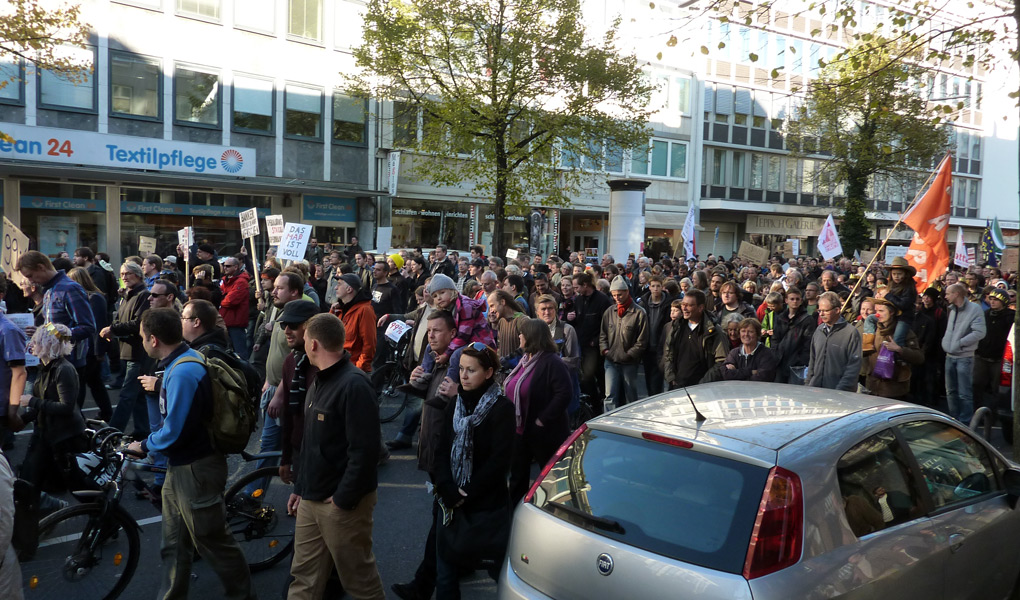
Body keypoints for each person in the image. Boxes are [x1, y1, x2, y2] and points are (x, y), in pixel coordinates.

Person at [126, 308, 255, 600]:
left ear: (154, 340)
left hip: (197, 470)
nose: (142, 342)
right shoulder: (181, 361)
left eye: (143, 337)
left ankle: (244, 596)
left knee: (214, 542)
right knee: (173, 543)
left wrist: (143, 446)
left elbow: (173, 430)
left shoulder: (183, 370)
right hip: (181, 467)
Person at [287, 314, 386, 600]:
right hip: (311, 498)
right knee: (303, 578)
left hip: (341, 505)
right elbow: (311, 443)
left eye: (305, 340)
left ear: (314, 343)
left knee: (359, 581)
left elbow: (365, 451)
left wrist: (343, 499)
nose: (303, 344)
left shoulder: (354, 385)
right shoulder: (319, 379)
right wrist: (300, 488)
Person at [432, 344, 514, 598]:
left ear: (489, 373)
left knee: (496, 570)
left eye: (471, 370)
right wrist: (446, 487)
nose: (464, 376)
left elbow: (499, 461)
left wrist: (466, 493)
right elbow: (441, 450)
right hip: (449, 504)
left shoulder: (502, 409)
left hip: (485, 506)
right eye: (462, 369)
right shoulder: (455, 404)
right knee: (444, 575)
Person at [390, 312, 461, 600]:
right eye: (429, 331)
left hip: (449, 463)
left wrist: (459, 393)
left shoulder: (460, 364)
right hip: (434, 456)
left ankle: (429, 586)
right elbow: (430, 399)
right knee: (441, 528)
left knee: (443, 529)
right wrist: (417, 378)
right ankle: (426, 583)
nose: (431, 336)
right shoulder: (435, 360)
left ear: (453, 332)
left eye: (437, 331)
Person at [17, 323, 86, 514]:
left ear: (48, 345)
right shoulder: (46, 367)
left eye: (37, 342)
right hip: (46, 434)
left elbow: (66, 407)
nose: (32, 346)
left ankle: (105, 517)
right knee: (28, 479)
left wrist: (32, 402)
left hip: (64, 438)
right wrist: (22, 420)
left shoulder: (64, 369)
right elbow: (46, 401)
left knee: (79, 486)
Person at [505, 319, 572, 504]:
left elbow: (564, 393)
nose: (519, 336)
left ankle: (552, 512)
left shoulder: (552, 362)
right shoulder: (526, 360)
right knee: (517, 477)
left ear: (532, 337)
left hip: (544, 432)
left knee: (548, 477)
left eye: (522, 333)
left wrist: (542, 420)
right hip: (520, 430)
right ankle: (515, 514)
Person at [104, 261, 151, 436]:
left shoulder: (144, 295)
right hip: (127, 350)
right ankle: (142, 431)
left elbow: (138, 323)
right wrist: (113, 329)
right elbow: (120, 320)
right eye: (122, 274)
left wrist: (113, 330)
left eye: (128, 274)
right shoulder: (126, 296)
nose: (124, 277)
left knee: (127, 395)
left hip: (138, 352)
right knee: (138, 397)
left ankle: (112, 433)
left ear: (138, 275)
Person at [64, 267, 111, 421]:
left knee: (84, 382)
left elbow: (98, 325)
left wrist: (99, 351)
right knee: (94, 382)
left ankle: (81, 416)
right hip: (87, 347)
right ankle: (106, 412)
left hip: (89, 348)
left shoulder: (94, 298)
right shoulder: (88, 297)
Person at [861, 297, 924, 400]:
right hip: (872, 388)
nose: (877, 314)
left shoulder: (904, 332)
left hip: (894, 390)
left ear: (892, 313)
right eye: (876, 311)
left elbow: (919, 358)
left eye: (881, 311)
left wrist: (899, 349)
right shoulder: (873, 330)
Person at [941, 283, 987, 423]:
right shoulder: (952, 309)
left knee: (964, 393)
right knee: (950, 391)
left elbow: (980, 332)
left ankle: (965, 423)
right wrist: (947, 343)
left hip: (964, 357)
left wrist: (960, 343)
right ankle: (954, 420)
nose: (945, 296)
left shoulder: (975, 309)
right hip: (949, 356)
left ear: (956, 294)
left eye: (948, 293)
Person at [599, 276, 647, 408]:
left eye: (619, 294)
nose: (616, 297)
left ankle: (631, 423)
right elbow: (603, 334)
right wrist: (605, 350)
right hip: (611, 360)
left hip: (629, 362)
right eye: (614, 295)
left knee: (631, 395)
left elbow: (642, 340)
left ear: (626, 292)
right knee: (610, 395)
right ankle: (609, 424)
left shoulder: (639, 313)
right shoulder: (609, 312)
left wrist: (630, 354)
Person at [663, 289, 727, 388]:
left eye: (689, 305)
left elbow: (721, 361)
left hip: (702, 390)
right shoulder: (677, 327)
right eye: (683, 304)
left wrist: (702, 384)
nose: (684, 308)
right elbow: (668, 352)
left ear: (700, 307)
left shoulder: (714, 331)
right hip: (677, 387)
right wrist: (671, 378)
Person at [567, 272, 612, 400]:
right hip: (582, 344)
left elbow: (608, 324)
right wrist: (570, 318)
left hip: (595, 346)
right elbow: (578, 320)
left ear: (585, 285)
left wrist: (596, 340)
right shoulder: (579, 299)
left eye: (576, 288)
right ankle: (594, 401)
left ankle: (601, 400)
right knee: (587, 376)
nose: (574, 291)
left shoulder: (602, 300)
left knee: (591, 375)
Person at [806, 291, 862, 392]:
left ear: (837, 310)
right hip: (816, 391)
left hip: (840, 393)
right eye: (819, 311)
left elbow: (853, 367)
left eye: (825, 311)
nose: (821, 314)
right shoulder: (818, 330)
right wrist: (809, 384)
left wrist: (841, 390)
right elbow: (812, 361)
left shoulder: (851, 333)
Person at [973, 288, 1014, 413]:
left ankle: (993, 414)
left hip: (999, 360)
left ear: (1004, 301)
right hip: (981, 357)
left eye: (996, 299)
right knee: (976, 385)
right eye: (991, 299)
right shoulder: (984, 315)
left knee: (997, 388)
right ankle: (977, 412)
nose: (992, 301)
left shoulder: (1010, 317)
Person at [773, 286, 817, 384]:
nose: (795, 301)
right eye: (792, 299)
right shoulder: (780, 318)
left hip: (797, 364)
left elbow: (808, 344)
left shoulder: (808, 319)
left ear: (801, 301)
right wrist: (776, 355)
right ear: (786, 300)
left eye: (797, 299)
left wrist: (800, 361)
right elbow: (775, 339)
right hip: (780, 361)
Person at [334, 273, 377, 372]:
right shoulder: (340, 309)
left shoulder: (365, 310)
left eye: (339, 284)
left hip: (352, 369)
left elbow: (369, 345)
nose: (336, 287)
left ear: (349, 289)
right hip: (339, 366)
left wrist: (358, 369)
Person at [722, 318, 778, 382]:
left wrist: (736, 373)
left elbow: (764, 377)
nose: (746, 334)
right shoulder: (734, 353)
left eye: (750, 331)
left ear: (757, 334)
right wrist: (751, 372)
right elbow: (726, 374)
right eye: (743, 331)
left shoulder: (767, 354)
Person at [219, 256, 252, 360]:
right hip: (226, 322)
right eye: (224, 266)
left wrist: (220, 302)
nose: (225, 268)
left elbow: (231, 301)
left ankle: (245, 374)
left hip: (236, 324)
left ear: (236, 267)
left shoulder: (241, 282)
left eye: (228, 266)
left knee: (240, 354)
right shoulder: (226, 281)